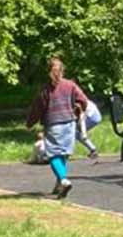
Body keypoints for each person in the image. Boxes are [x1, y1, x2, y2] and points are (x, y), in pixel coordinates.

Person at [26, 57, 89, 198]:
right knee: (63, 154)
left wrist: (30, 123)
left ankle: (64, 180)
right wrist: (78, 108)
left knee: (53, 155)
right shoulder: (71, 85)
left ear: (48, 71)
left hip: (53, 124)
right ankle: (59, 185)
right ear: (62, 70)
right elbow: (83, 100)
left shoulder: (45, 89)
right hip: (69, 124)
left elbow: (37, 109)